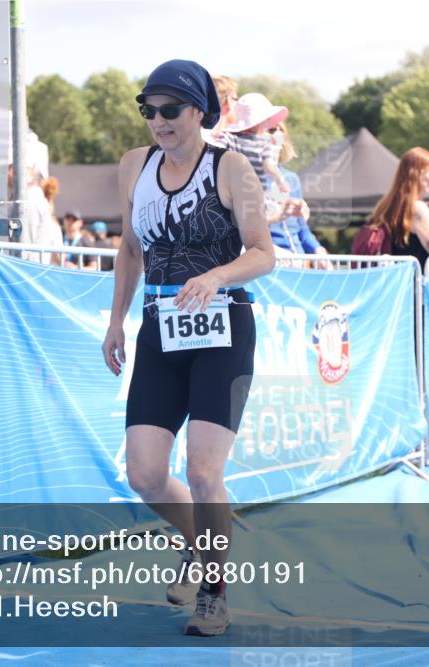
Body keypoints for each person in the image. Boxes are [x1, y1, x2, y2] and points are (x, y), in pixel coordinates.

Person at [101, 60, 275, 637]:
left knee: (204, 472)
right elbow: (129, 249)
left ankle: (214, 592)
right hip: (160, 330)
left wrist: (218, 276)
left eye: (171, 110)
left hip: (223, 330)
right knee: (144, 475)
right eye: (147, 110)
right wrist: (116, 323)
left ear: (199, 110)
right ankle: (198, 543)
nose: (158, 121)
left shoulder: (230, 169)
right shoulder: (134, 167)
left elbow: (263, 252)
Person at [365, 147, 429, 270]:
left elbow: (408, 240)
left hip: (401, 282)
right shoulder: (417, 208)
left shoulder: (389, 205)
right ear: (419, 173)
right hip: (418, 284)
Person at [220, 92, 302, 221]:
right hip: (257, 197)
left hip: (234, 194)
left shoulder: (230, 139)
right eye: (268, 120)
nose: (270, 124)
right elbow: (269, 166)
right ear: (261, 122)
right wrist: (280, 181)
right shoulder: (266, 143)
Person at [267, 122, 330, 267]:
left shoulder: (291, 178)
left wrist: (317, 249)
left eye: (277, 129)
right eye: (268, 129)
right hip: (272, 267)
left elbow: (302, 228)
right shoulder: (251, 178)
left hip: (299, 264)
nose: (272, 135)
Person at [201, 75, 238, 147]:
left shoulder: (196, 137)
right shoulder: (232, 144)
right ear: (228, 102)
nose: (238, 104)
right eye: (235, 99)